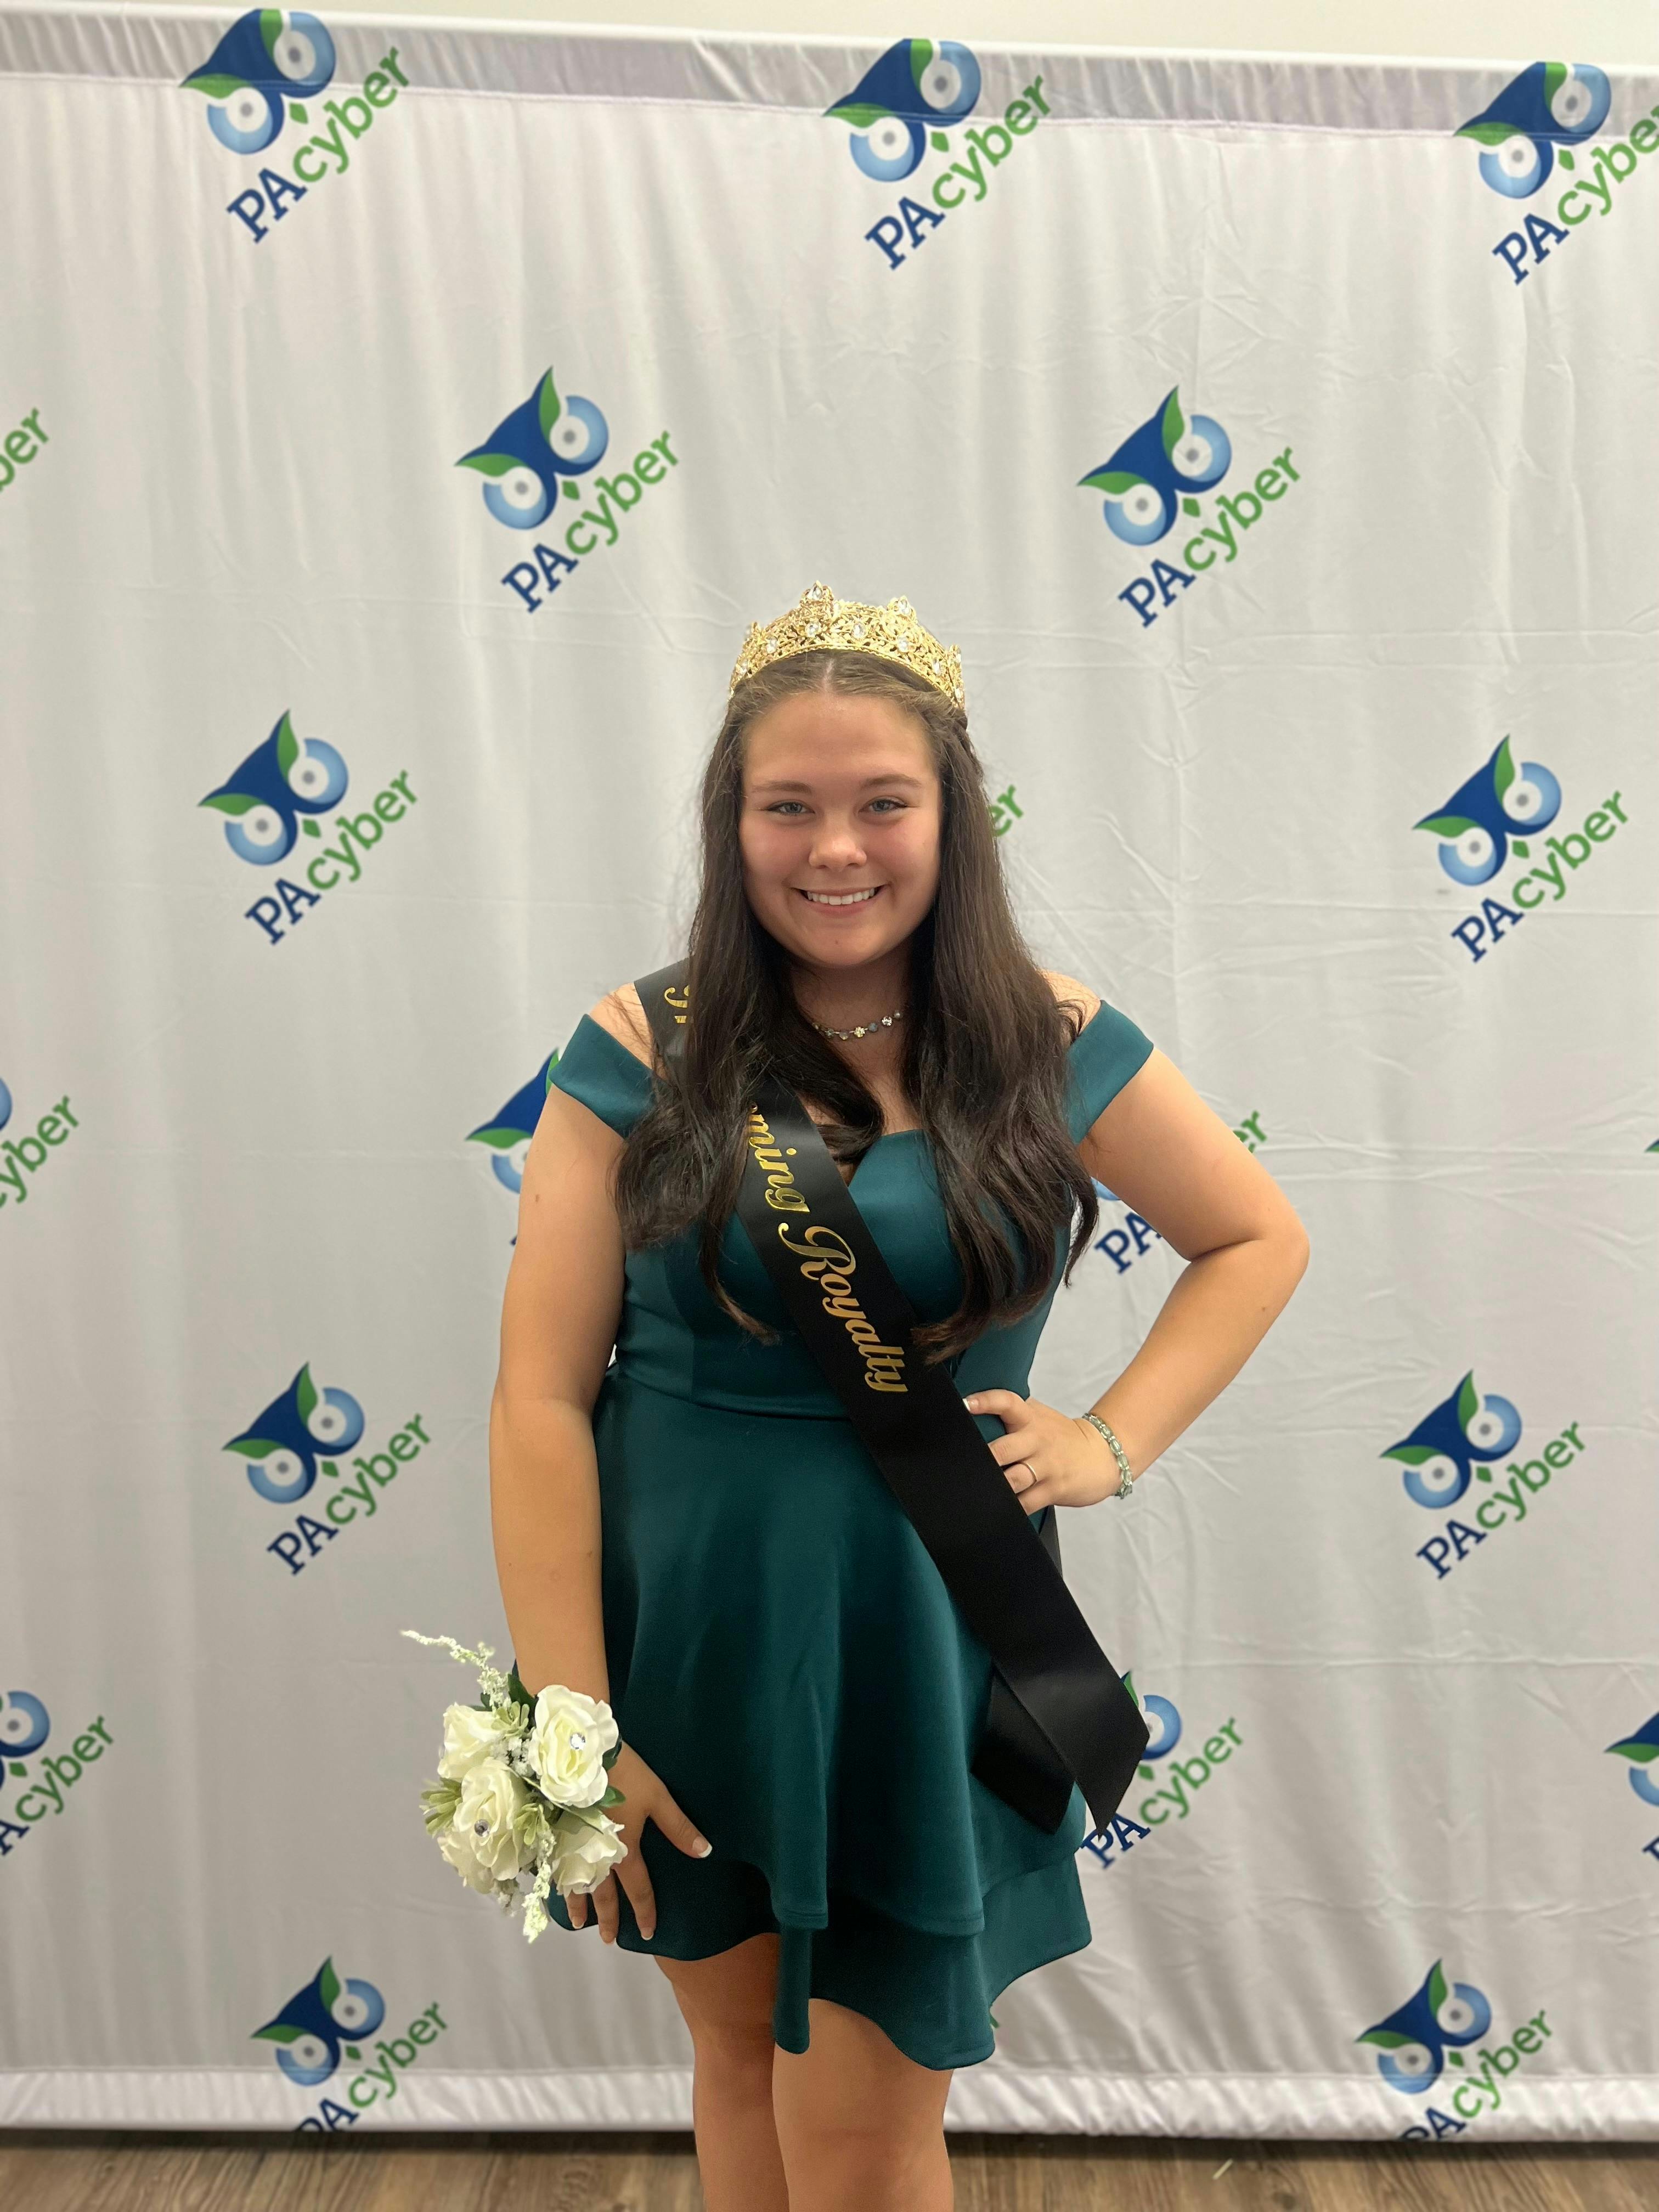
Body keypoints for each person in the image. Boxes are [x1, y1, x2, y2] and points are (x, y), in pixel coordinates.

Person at [488, 584, 1309, 2211]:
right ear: (733, 823)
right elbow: (536, 1399)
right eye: (787, 806)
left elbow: (1255, 1237)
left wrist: (1111, 1438)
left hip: (923, 1635)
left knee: (865, 2142)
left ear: (955, 815)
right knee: (733, 2076)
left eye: (883, 803)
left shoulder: (1046, 1038)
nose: (835, 849)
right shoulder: (638, 1050)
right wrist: (573, 1719)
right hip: (693, 1640)